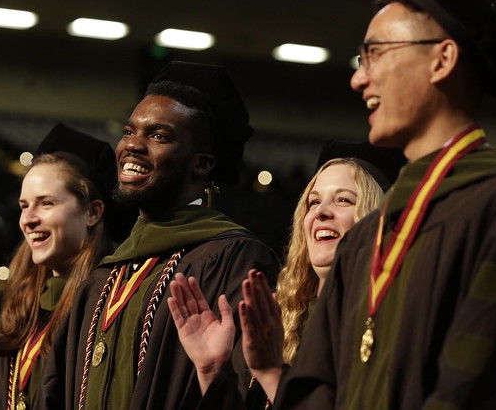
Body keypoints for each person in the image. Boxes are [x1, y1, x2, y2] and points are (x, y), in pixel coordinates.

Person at [239, 0, 496, 408]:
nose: (358, 77)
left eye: (375, 54)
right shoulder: (368, 239)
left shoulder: (493, 205)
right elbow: (321, 390)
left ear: (442, 58)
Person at [38, 61, 280, 409]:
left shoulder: (233, 260)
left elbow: (248, 387)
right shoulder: (103, 277)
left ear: (202, 164)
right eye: (128, 131)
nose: (132, 145)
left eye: (158, 135)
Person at [168, 142, 404, 407]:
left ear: (375, 218)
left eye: (343, 200)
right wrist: (211, 370)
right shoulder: (279, 314)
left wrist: (271, 374)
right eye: (313, 202)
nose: (321, 212)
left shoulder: (389, 320)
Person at [0, 124, 126, 409]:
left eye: (46, 203)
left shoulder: (110, 305)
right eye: (24, 205)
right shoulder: (26, 303)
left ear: (92, 212)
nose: (28, 219)